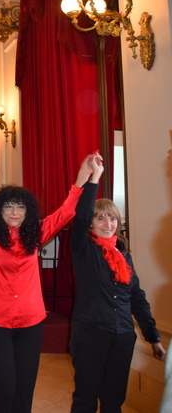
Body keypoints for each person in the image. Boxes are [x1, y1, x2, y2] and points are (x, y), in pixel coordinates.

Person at [0, 154, 94, 413]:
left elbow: (66, 212)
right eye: (9, 206)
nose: (14, 212)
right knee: (5, 386)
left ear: (28, 211)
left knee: (24, 390)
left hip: (31, 322)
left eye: (20, 207)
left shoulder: (37, 234)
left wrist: (82, 178)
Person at [69, 154, 165, 412]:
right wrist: (94, 179)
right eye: (100, 218)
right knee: (85, 400)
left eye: (112, 219)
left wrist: (153, 336)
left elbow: (136, 297)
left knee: (114, 401)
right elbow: (79, 216)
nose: (107, 224)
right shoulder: (83, 249)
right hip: (91, 332)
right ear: (91, 222)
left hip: (122, 335)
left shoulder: (124, 255)